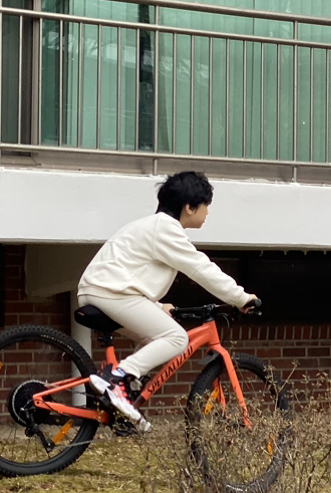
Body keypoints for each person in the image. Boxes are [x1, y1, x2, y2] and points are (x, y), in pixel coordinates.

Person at [77, 170, 257, 427]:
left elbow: (131, 273)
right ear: (189, 207)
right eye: (206, 206)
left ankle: (125, 395)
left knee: (155, 337)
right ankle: (117, 379)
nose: (207, 213)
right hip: (110, 293)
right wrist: (241, 297)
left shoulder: (151, 226)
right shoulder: (166, 229)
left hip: (102, 290)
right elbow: (201, 268)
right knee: (176, 338)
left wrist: (157, 306)